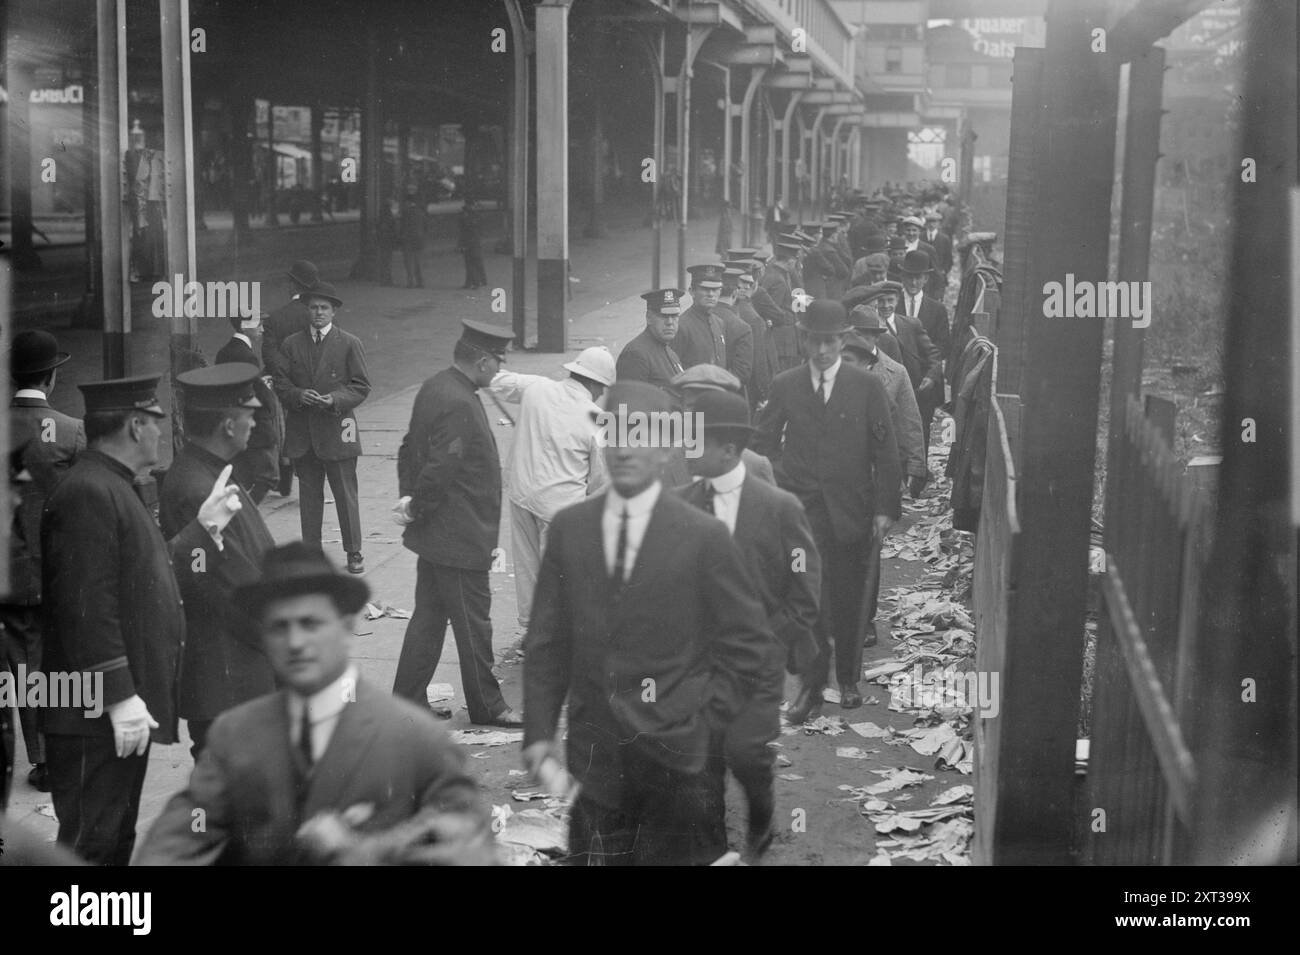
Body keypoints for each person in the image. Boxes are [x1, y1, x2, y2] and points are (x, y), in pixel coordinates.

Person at [523, 381, 773, 865]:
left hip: (680, 763)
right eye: (615, 434)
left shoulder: (703, 536)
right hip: (596, 758)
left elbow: (748, 644)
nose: (624, 449)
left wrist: (703, 716)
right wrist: (538, 733)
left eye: (640, 436)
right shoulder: (571, 530)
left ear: (666, 450)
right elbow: (547, 643)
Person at [135, 543, 494, 865]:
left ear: (347, 623)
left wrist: (374, 849)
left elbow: (470, 845)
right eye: (279, 627)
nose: (295, 642)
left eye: (310, 623)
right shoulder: (236, 735)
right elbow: (181, 836)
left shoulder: (414, 737)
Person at [41, 374, 243, 865]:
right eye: (156, 421)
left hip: (111, 712)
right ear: (135, 426)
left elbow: (143, 577)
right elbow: (85, 606)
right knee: (91, 845)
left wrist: (203, 529)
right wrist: (119, 694)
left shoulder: (114, 485)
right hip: (97, 713)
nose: (162, 431)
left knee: (111, 840)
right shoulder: (91, 491)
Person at [678, 388, 820, 862]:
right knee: (701, 761)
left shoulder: (780, 509)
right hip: (696, 662)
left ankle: (760, 819)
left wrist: (776, 641)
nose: (685, 449)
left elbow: (804, 586)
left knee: (746, 752)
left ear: (729, 450)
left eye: (695, 441)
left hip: (758, 662)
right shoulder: (679, 506)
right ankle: (713, 847)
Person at [753, 301, 901, 721]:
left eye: (830, 341)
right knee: (808, 596)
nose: (822, 350)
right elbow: (763, 442)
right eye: (815, 341)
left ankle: (849, 677)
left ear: (843, 340)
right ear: (805, 340)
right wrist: (775, 487)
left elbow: (884, 448)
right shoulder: (786, 385)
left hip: (853, 512)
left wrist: (886, 507)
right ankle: (813, 686)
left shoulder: (866, 387)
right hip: (802, 512)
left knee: (851, 596)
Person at [391, 320, 522, 728]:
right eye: (497, 361)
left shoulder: (436, 386)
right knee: (474, 626)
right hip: (459, 535)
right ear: (482, 360)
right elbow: (441, 465)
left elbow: (409, 448)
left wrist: (412, 503)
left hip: (437, 535)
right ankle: (489, 706)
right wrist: (418, 505)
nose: (498, 370)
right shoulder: (462, 401)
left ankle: (406, 704)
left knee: (428, 620)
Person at [160, 365, 278, 760]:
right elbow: (225, 589)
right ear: (228, 424)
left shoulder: (210, 471)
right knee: (231, 805)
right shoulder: (197, 486)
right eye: (249, 412)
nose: (256, 419)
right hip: (229, 679)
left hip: (236, 675)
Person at [3, 331, 84, 792]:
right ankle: (52, 756)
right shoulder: (71, 432)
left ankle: (35, 755)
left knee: (19, 665)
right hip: (56, 572)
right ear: (52, 378)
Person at [485, 346, 613, 636]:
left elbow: (497, 381)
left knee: (527, 568)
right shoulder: (596, 417)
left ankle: (532, 632)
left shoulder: (537, 387)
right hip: (560, 508)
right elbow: (599, 479)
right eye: (602, 388)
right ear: (595, 384)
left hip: (521, 495)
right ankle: (557, 637)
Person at [273, 282, 371, 575]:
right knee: (310, 497)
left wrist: (334, 399)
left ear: (334, 311)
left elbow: (361, 386)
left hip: (338, 430)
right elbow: (281, 384)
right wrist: (297, 395)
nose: (318, 313)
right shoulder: (292, 344)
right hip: (304, 433)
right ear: (307, 311)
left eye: (324, 308)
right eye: (313, 308)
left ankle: (354, 552)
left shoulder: (349, 343)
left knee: (345, 494)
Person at [263, 259, 319, 497]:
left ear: (293, 285)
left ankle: (284, 482)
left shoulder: (276, 318)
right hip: (315, 387)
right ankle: (311, 481)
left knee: (284, 433)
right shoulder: (320, 315)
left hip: (286, 388)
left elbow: (269, 355)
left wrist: (285, 377)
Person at [215, 313, 282, 503]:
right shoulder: (247, 355)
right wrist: (266, 391)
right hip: (255, 424)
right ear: (245, 327)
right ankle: (245, 514)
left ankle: (237, 511)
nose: (262, 329)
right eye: (258, 325)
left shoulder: (224, 351)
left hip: (234, 421)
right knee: (268, 476)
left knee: (241, 476)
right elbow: (250, 391)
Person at [897, 251, 950, 458]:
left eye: (918, 277)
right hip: (899, 375)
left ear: (926, 279)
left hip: (924, 380)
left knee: (923, 426)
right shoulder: (893, 305)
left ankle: (919, 473)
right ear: (902, 277)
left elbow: (943, 346)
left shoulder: (937, 309)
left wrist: (931, 375)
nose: (913, 281)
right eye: (909, 276)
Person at [615, 289, 687, 391]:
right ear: (649, 317)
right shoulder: (635, 354)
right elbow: (623, 403)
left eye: (674, 315)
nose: (670, 322)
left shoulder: (671, 353)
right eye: (664, 316)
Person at [674, 264, 729, 369]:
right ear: (692, 291)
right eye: (705, 289)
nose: (711, 294)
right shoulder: (681, 326)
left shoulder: (719, 323)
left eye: (716, 289)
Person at [712, 268, 755, 397]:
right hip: (730, 397)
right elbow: (743, 373)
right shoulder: (742, 327)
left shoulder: (703, 318)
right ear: (735, 292)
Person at [399, 181, 427, 288]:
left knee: (408, 261)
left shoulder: (406, 212)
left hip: (408, 238)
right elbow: (425, 226)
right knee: (417, 261)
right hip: (419, 238)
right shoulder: (421, 211)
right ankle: (420, 281)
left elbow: (403, 226)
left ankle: (410, 281)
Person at [459, 198, 488, 290]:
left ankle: (474, 282)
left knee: (470, 262)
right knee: (475, 261)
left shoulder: (466, 215)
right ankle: (478, 281)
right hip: (475, 241)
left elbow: (463, 229)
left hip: (469, 241)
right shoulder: (476, 214)